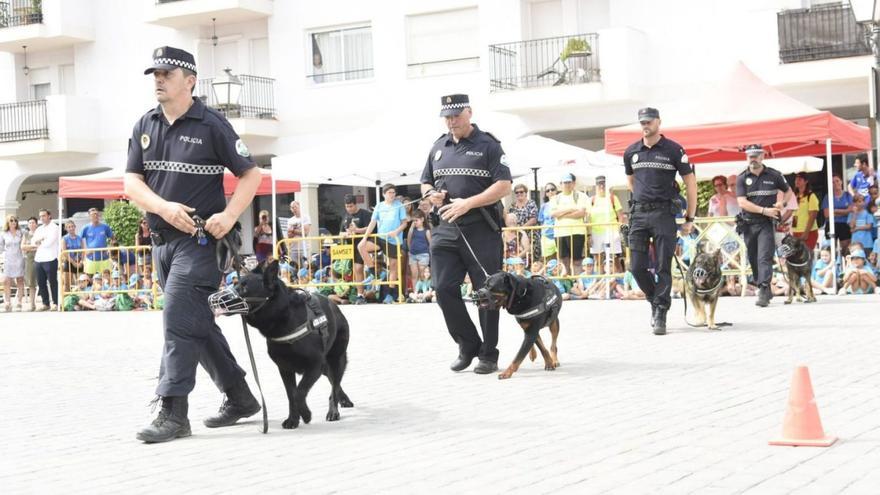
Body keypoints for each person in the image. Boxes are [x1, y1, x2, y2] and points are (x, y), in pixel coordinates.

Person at [125, 46, 263, 443]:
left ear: (190, 81)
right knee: (195, 325)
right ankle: (239, 396)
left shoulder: (212, 124)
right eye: (155, 74)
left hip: (200, 243)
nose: (159, 80)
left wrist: (230, 215)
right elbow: (131, 183)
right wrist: (164, 208)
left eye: (167, 74)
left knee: (177, 323)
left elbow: (250, 174)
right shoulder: (145, 124)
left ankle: (173, 411)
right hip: (162, 240)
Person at [421, 93, 511, 374]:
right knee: (443, 288)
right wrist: (432, 194)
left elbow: (505, 184)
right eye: (447, 116)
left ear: (469, 112)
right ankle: (468, 344)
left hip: (480, 228)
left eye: (457, 115)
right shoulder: (438, 146)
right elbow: (425, 182)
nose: (452, 121)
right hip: (445, 227)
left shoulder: (488, 145)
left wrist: (468, 203)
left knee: (487, 292)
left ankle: (489, 354)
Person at [623, 107, 697, 334]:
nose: (646, 125)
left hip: (664, 214)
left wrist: (690, 218)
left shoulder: (674, 150)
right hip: (639, 215)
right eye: (642, 122)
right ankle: (656, 300)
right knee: (636, 267)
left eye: (649, 121)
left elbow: (690, 183)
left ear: (658, 122)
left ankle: (661, 312)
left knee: (663, 266)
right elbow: (631, 182)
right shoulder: (631, 151)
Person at [736, 144, 794, 308]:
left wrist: (782, 202)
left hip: (766, 224)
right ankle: (764, 286)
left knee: (764, 256)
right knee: (753, 258)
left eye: (756, 155)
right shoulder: (741, 178)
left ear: (762, 157)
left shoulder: (774, 175)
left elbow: (788, 191)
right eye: (750, 156)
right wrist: (764, 210)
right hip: (748, 223)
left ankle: (763, 290)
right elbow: (742, 202)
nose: (753, 159)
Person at [358, 183, 408, 304]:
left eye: (393, 192)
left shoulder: (399, 205)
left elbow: (404, 223)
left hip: (394, 240)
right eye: (390, 192)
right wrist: (364, 238)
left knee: (393, 267)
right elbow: (372, 223)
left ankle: (390, 295)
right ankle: (374, 273)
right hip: (381, 237)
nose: (392, 195)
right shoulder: (379, 206)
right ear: (384, 194)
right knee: (361, 246)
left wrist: (396, 232)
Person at [551, 173, 589, 274]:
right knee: (564, 261)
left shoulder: (581, 196)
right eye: (565, 182)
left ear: (573, 183)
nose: (567, 185)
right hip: (560, 233)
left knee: (577, 261)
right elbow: (554, 214)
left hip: (577, 232)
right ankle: (567, 283)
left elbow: (581, 213)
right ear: (561, 184)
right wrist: (570, 209)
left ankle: (577, 282)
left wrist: (562, 214)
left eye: (569, 182)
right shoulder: (556, 198)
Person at [587, 175, 624, 274]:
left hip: (612, 231)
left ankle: (618, 280)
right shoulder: (591, 200)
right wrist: (589, 235)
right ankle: (600, 281)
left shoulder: (613, 198)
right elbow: (588, 218)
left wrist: (619, 231)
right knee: (598, 260)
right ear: (596, 186)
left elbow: (621, 215)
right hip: (596, 232)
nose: (601, 186)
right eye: (599, 184)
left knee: (615, 259)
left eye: (603, 184)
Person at [339, 194, 372, 304]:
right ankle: (359, 294)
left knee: (359, 269)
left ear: (356, 204)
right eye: (347, 206)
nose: (349, 209)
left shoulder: (365, 214)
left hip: (363, 245)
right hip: (350, 246)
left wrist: (357, 230)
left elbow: (370, 228)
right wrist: (345, 234)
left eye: (351, 206)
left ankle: (361, 294)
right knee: (355, 270)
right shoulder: (345, 216)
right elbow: (340, 232)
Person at [32, 209, 60, 311]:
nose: (42, 218)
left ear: (49, 216)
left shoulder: (54, 227)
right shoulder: (39, 229)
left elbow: (49, 243)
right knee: (41, 282)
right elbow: (33, 241)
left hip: (50, 258)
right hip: (39, 259)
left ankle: (56, 303)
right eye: (40, 216)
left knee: (52, 282)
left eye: (44, 215)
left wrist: (40, 241)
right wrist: (41, 239)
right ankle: (45, 303)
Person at [823, 175, 853, 254]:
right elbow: (827, 214)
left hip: (845, 224)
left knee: (846, 249)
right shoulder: (828, 197)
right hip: (831, 224)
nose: (835, 183)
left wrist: (834, 210)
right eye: (833, 182)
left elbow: (851, 210)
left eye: (837, 181)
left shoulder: (847, 195)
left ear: (841, 182)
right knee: (831, 249)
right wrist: (844, 211)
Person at [1, 214, 26, 312]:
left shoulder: (21, 232)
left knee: (20, 280)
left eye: (15, 220)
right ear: (8, 222)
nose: (13, 222)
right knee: (6, 281)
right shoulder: (3, 233)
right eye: (11, 220)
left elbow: (25, 243)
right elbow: (1, 247)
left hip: (19, 258)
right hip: (8, 259)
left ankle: (19, 302)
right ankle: (8, 302)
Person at [508, 183, 539, 260]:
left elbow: (533, 219)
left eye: (521, 192)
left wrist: (521, 228)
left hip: (531, 234)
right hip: (517, 236)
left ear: (526, 193)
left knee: (532, 257)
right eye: (517, 192)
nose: (519, 194)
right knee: (518, 256)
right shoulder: (512, 206)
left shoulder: (531, 203)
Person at [81, 208, 114, 276]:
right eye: (93, 214)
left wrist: (110, 249)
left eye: (96, 214)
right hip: (91, 258)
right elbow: (79, 240)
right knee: (90, 279)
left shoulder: (105, 226)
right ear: (90, 216)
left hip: (104, 258)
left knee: (107, 279)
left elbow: (113, 238)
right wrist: (85, 251)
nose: (95, 216)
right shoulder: (85, 228)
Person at [791, 173, 820, 250]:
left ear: (806, 181)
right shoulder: (795, 196)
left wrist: (806, 232)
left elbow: (813, 216)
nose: (797, 181)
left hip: (808, 232)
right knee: (798, 258)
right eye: (796, 179)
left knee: (807, 256)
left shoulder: (811, 196)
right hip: (796, 231)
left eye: (800, 179)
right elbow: (794, 213)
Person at [407, 210, 432, 291]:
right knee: (414, 275)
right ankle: (415, 292)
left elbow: (430, 243)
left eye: (416, 220)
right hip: (413, 254)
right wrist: (410, 250)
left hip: (424, 255)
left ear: (422, 219)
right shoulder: (412, 230)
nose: (414, 222)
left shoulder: (427, 231)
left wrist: (430, 254)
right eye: (413, 221)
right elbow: (408, 240)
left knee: (422, 275)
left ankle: (424, 292)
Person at [20, 217, 38, 311]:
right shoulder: (26, 234)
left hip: (40, 258)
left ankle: (45, 302)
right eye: (30, 223)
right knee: (31, 283)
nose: (31, 224)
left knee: (42, 282)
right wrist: (34, 247)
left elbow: (41, 246)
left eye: (33, 222)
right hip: (30, 260)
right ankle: (32, 304)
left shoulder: (39, 233)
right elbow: (22, 247)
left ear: (36, 224)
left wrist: (29, 248)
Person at [286, 200, 311, 267]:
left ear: (299, 207)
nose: (294, 209)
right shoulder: (290, 220)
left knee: (305, 269)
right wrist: (296, 231)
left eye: (295, 207)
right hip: (293, 249)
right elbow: (289, 235)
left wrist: (293, 230)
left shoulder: (305, 217)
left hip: (304, 248)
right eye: (292, 207)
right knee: (294, 269)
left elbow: (305, 233)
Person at [61, 220, 84, 292]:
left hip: (79, 262)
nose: (71, 228)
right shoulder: (64, 239)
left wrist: (81, 261)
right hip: (68, 262)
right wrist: (73, 262)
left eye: (72, 226)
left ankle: (81, 298)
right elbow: (64, 252)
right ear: (66, 229)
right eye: (69, 227)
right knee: (67, 283)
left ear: (75, 227)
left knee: (81, 282)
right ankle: (66, 300)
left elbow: (83, 251)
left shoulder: (80, 238)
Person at [538, 183, 558, 260]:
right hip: (546, 235)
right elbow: (541, 221)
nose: (550, 192)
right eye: (547, 190)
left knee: (562, 259)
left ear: (556, 191)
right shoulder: (544, 206)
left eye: (552, 189)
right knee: (547, 260)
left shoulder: (561, 203)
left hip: (559, 233)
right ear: (546, 193)